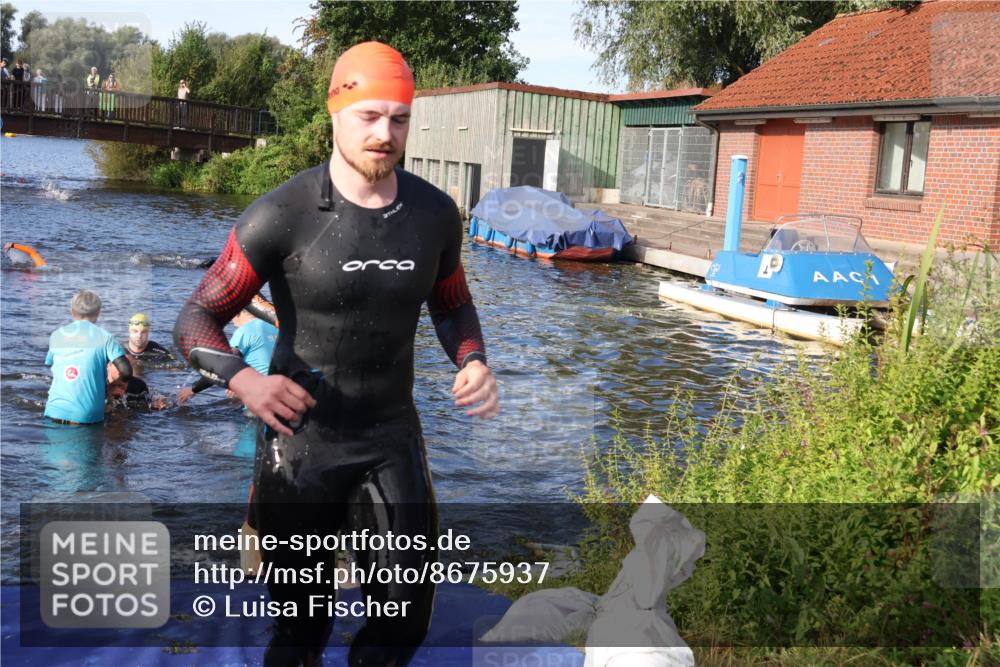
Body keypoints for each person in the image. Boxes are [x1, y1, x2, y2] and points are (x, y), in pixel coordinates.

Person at [173, 41, 498, 666]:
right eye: (368, 116)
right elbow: (196, 317)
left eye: (399, 119)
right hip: (301, 444)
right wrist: (246, 382)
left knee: (403, 622)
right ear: (335, 113)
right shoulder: (280, 214)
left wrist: (474, 360)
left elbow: (452, 303)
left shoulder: (434, 214)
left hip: (391, 436)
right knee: (302, 630)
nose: (384, 134)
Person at [44, 290, 132, 424]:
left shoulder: (56, 335)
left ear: (72, 311)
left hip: (54, 411)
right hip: (86, 417)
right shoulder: (106, 337)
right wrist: (110, 388)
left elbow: (54, 366)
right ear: (98, 313)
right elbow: (126, 370)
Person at [176, 297, 277, 405]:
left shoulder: (245, 330)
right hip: (280, 390)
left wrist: (193, 390)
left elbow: (222, 368)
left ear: (237, 313)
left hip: (259, 398)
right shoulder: (275, 327)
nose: (233, 324)